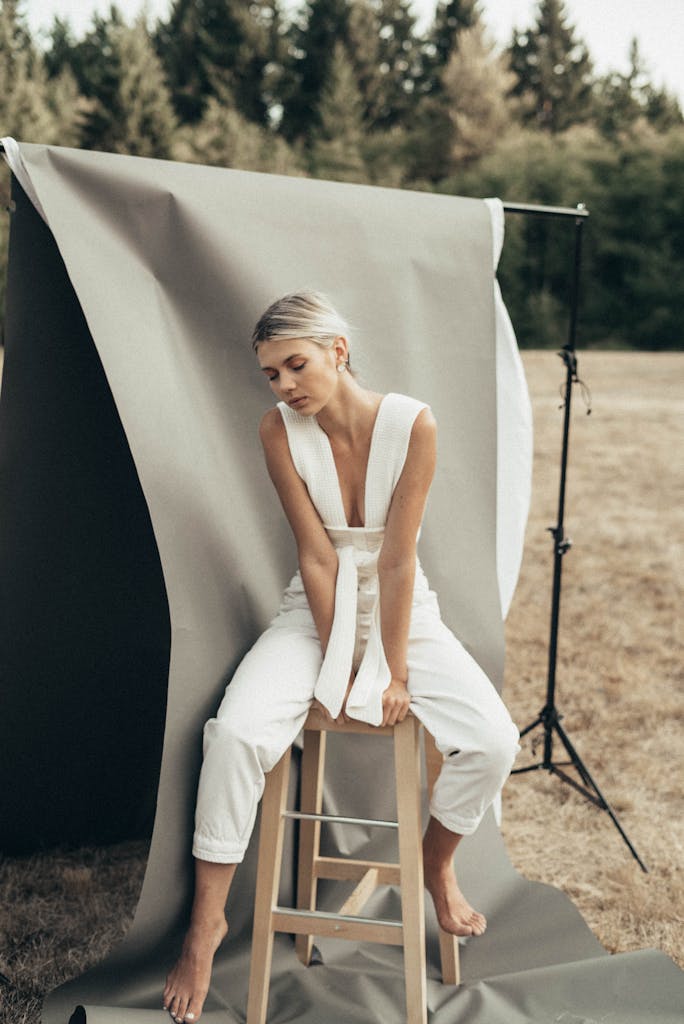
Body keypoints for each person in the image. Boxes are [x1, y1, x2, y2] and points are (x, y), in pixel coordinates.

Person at [163, 291, 519, 1023]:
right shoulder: (277, 429)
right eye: (271, 374)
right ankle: (206, 925)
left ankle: (437, 865)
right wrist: (342, 664)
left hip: (402, 609)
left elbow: (396, 559)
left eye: (296, 364)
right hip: (314, 609)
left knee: (493, 741)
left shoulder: (413, 424)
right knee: (234, 736)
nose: (286, 385)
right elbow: (318, 557)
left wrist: (393, 669)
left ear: (338, 350)